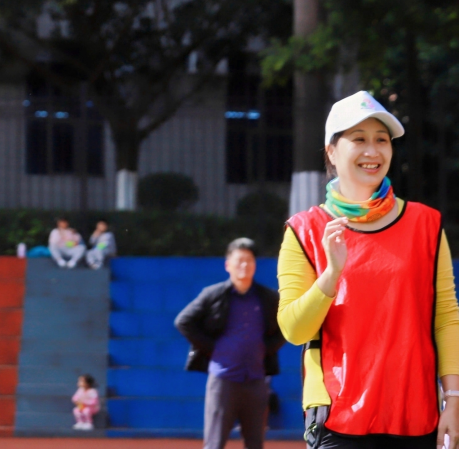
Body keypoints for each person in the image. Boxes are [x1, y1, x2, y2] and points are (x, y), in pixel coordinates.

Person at [278, 91, 459, 448]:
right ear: (332, 151)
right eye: (359, 139)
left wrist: (452, 399)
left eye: (381, 140)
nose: (372, 151)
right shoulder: (304, 229)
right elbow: (294, 330)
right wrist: (331, 275)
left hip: (416, 416)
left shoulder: (426, 224)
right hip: (338, 421)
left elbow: (446, 317)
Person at [175, 237, 282, 449]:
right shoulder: (213, 295)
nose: (244, 265)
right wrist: (213, 349)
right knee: (214, 444)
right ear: (228, 265)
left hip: (257, 381)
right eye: (239, 260)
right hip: (223, 381)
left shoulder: (268, 298)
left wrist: (267, 348)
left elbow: (286, 327)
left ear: (255, 265)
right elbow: (183, 321)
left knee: (255, 444)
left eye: (249, 260)